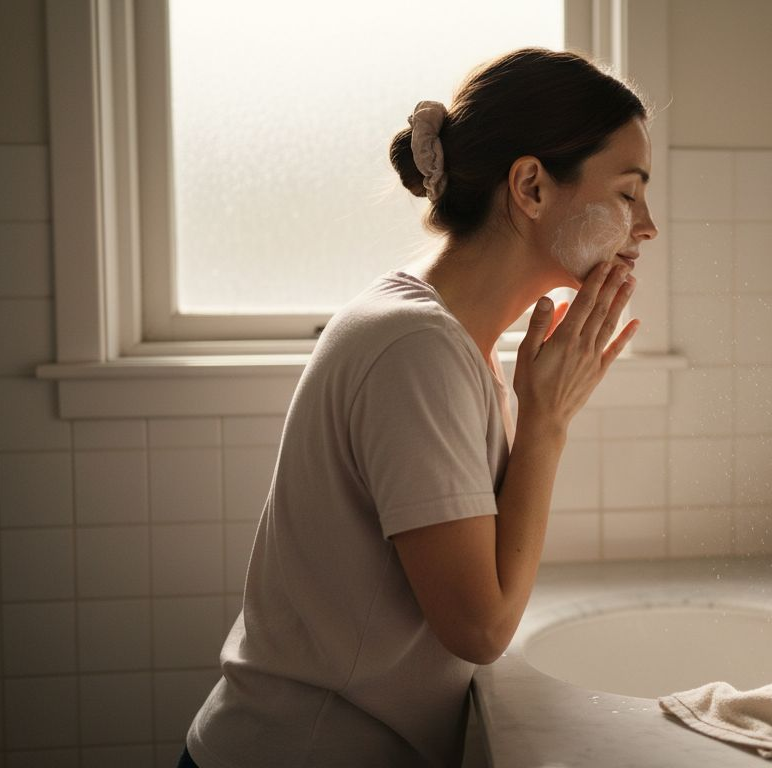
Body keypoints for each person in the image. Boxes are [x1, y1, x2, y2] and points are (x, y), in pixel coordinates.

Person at [182, 47, 657, 767]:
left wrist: (540, 409)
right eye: (628, 193)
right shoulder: (417, 348)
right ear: (530, 186)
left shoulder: (444, 334)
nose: (647, 226)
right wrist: (546, 423)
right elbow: (481, 628)